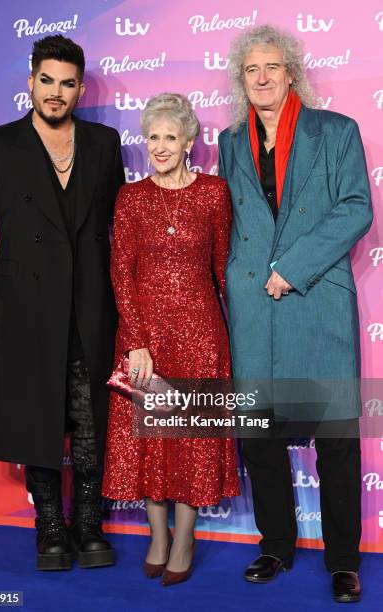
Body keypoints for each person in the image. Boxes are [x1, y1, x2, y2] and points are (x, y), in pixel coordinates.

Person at [219, 25, 372, 603]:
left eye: (271, 68)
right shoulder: (231, 141)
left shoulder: (337, 132)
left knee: (334, 440)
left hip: (316, 301)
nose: (261, 78)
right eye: (251, 70)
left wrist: (295, 266)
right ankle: (276, 546)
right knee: (258, 438)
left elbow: (356, 206)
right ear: (243, 80)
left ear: (291, 73)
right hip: (255, 307)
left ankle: (342, 561)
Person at [0, 35, 124, 571]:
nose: (56, 93)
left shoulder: (103, 143)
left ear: (80, 88)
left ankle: (89, 522)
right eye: (47, 81)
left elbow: (116, 233)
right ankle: (50, 525)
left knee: (89, 417)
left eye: (68, 83)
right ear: (31, 82)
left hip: (92, 304)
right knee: (38, 416)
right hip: (23, 306)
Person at [102, 93, 239, 586]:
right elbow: (121, 273)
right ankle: (156, 537)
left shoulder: (213, 193)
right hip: (145, 336)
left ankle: (184, 538)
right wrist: (135, 339)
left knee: (190, 439)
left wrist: (243, 330)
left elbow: (224, 267)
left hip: (201, 333)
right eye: (152, 137)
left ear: (189, 142)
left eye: (169, 137)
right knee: (151, 438)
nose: (159, 147)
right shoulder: (131, 197)